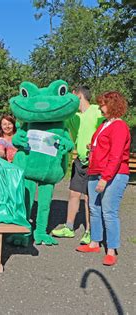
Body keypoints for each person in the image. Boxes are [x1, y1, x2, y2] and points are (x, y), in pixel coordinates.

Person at [76, 91, 130, 266]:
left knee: (109, 211)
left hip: (113, 174)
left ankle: (112, 249)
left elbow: (115, 155)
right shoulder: (105, 124)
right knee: (94, 208)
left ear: (113, 105)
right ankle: (94, 242)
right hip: (95, 171)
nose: (100, 107)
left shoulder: (119, 126)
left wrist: (105, 178)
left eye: (104, 104)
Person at [52, 86, 103, 244]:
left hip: (94, 162)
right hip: (80, 160)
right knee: (74, 194)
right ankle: (69, 227)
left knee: (89, 198)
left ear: (79, 96)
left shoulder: (97, 111)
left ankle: (89, 231)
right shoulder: (73, 116)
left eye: (72, 96)